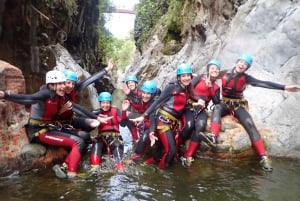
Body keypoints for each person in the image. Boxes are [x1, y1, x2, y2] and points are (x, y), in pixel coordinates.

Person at [207, 54, 300, 172]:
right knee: (216, 108)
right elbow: (210, 75)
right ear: (237, 62)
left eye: (245, 64)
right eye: (241, 62)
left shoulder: (246, 78)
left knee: (250, 124)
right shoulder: (224, 73)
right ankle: (213, 137)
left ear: (247, 68)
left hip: (238, 105)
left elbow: (264, 83)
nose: (242, 65)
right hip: (224, 103)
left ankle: (264, 157)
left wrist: (285, 87)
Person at [0, 70, 99, 179]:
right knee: (78, 142)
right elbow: (28, 98)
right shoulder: (44, 94)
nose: (64, 86)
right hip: (39, 132)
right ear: (52, 85)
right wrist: (5, 95)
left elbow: (76, 107)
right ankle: (72, 175)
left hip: (51, 128)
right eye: (60, 84)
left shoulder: (60, 95)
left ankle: (64, 166)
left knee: (85, 136)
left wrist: (97, 118)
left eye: (63, 83)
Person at [130, 64, 194, 169]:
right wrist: (143, 116)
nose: (186, 78)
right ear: (178, 77)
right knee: (171, 151)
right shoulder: (172, 87)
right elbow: (158, 102)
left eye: (188, 75)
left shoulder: (186, 89)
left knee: (169, 150)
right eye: (183, 76)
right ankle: (161, 171)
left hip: (171, 123)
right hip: (163, 122)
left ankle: (154, 163)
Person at [180, 59, 221, 168]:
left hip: (202, 109)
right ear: (208, 70)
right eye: (212, 68)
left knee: (201, 127)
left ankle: (188, 156)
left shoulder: (216, 87)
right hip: (189, 105)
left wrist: (210, 88)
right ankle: (178, 144)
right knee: (189, 126)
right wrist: (197, 99)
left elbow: (217, 102)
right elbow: (188, 89)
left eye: (217, 69)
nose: (214, 70)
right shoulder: (199, 78)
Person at [89, 92, 130, 175]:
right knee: (96, 144)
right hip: (101, 138)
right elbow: (88, 125)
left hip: (115, 137)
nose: (105, 105)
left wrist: (124, 111)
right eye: (103, 103)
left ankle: (120, 168)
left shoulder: (115, 111)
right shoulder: (95, 113)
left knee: (117, 145)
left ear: (110, 103)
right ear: (100, 103)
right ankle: (95, 168)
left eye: (107, 103)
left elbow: (123, 124)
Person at [126, 80, 160, 161]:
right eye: (144, 93)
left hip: (154, 124)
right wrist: (129, 94)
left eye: (148, 94)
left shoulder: (155, 103)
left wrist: (151, 132)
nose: (145, 95)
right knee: (128, 118)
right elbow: (136, 100)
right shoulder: (142, 99)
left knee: (144, 138)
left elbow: (152, 118)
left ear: (152, 95)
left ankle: (136, 156)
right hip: (146, 120)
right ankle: (135, 139)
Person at [121, 75, 142, 142]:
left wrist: (129, 94)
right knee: (127, 117)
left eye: (132, 82)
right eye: (128, 83)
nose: (130, 84)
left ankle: (139, 135)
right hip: (137, 116)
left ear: (136, 84)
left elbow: (139, 101)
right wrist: (124, 111)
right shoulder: (127, 98)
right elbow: (123, 123)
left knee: (129, 115)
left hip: (146, 116)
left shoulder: (142, 93)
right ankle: (135, 138)